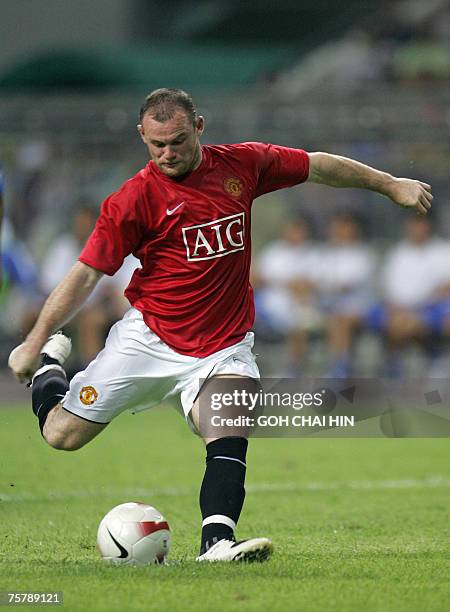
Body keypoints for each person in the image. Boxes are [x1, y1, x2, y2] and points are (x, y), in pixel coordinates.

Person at [8, 88, 433, 563]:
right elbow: (86, 273)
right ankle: (50, 367)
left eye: (178, 141)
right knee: (61, 436)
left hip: (224, 346)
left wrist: (391, 184)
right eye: (157, 145)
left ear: (200, 128)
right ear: (142, 137)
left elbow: (319, 165)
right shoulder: (132, 201)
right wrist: (36, 342)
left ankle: (217, 544)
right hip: (150, 340)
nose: (168, 154)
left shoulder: (243, 165)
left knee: (229, 423)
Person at [316, 213, 375, 377]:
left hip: (358, 308)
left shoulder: (362, 254)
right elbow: (315, 282)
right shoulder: (326, 253)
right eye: (337, 227)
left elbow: (347, 286)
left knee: (341, 319)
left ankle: (339, 368)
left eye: (344, 227)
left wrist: (328, 287)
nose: (340, 231)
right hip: (327, 306)